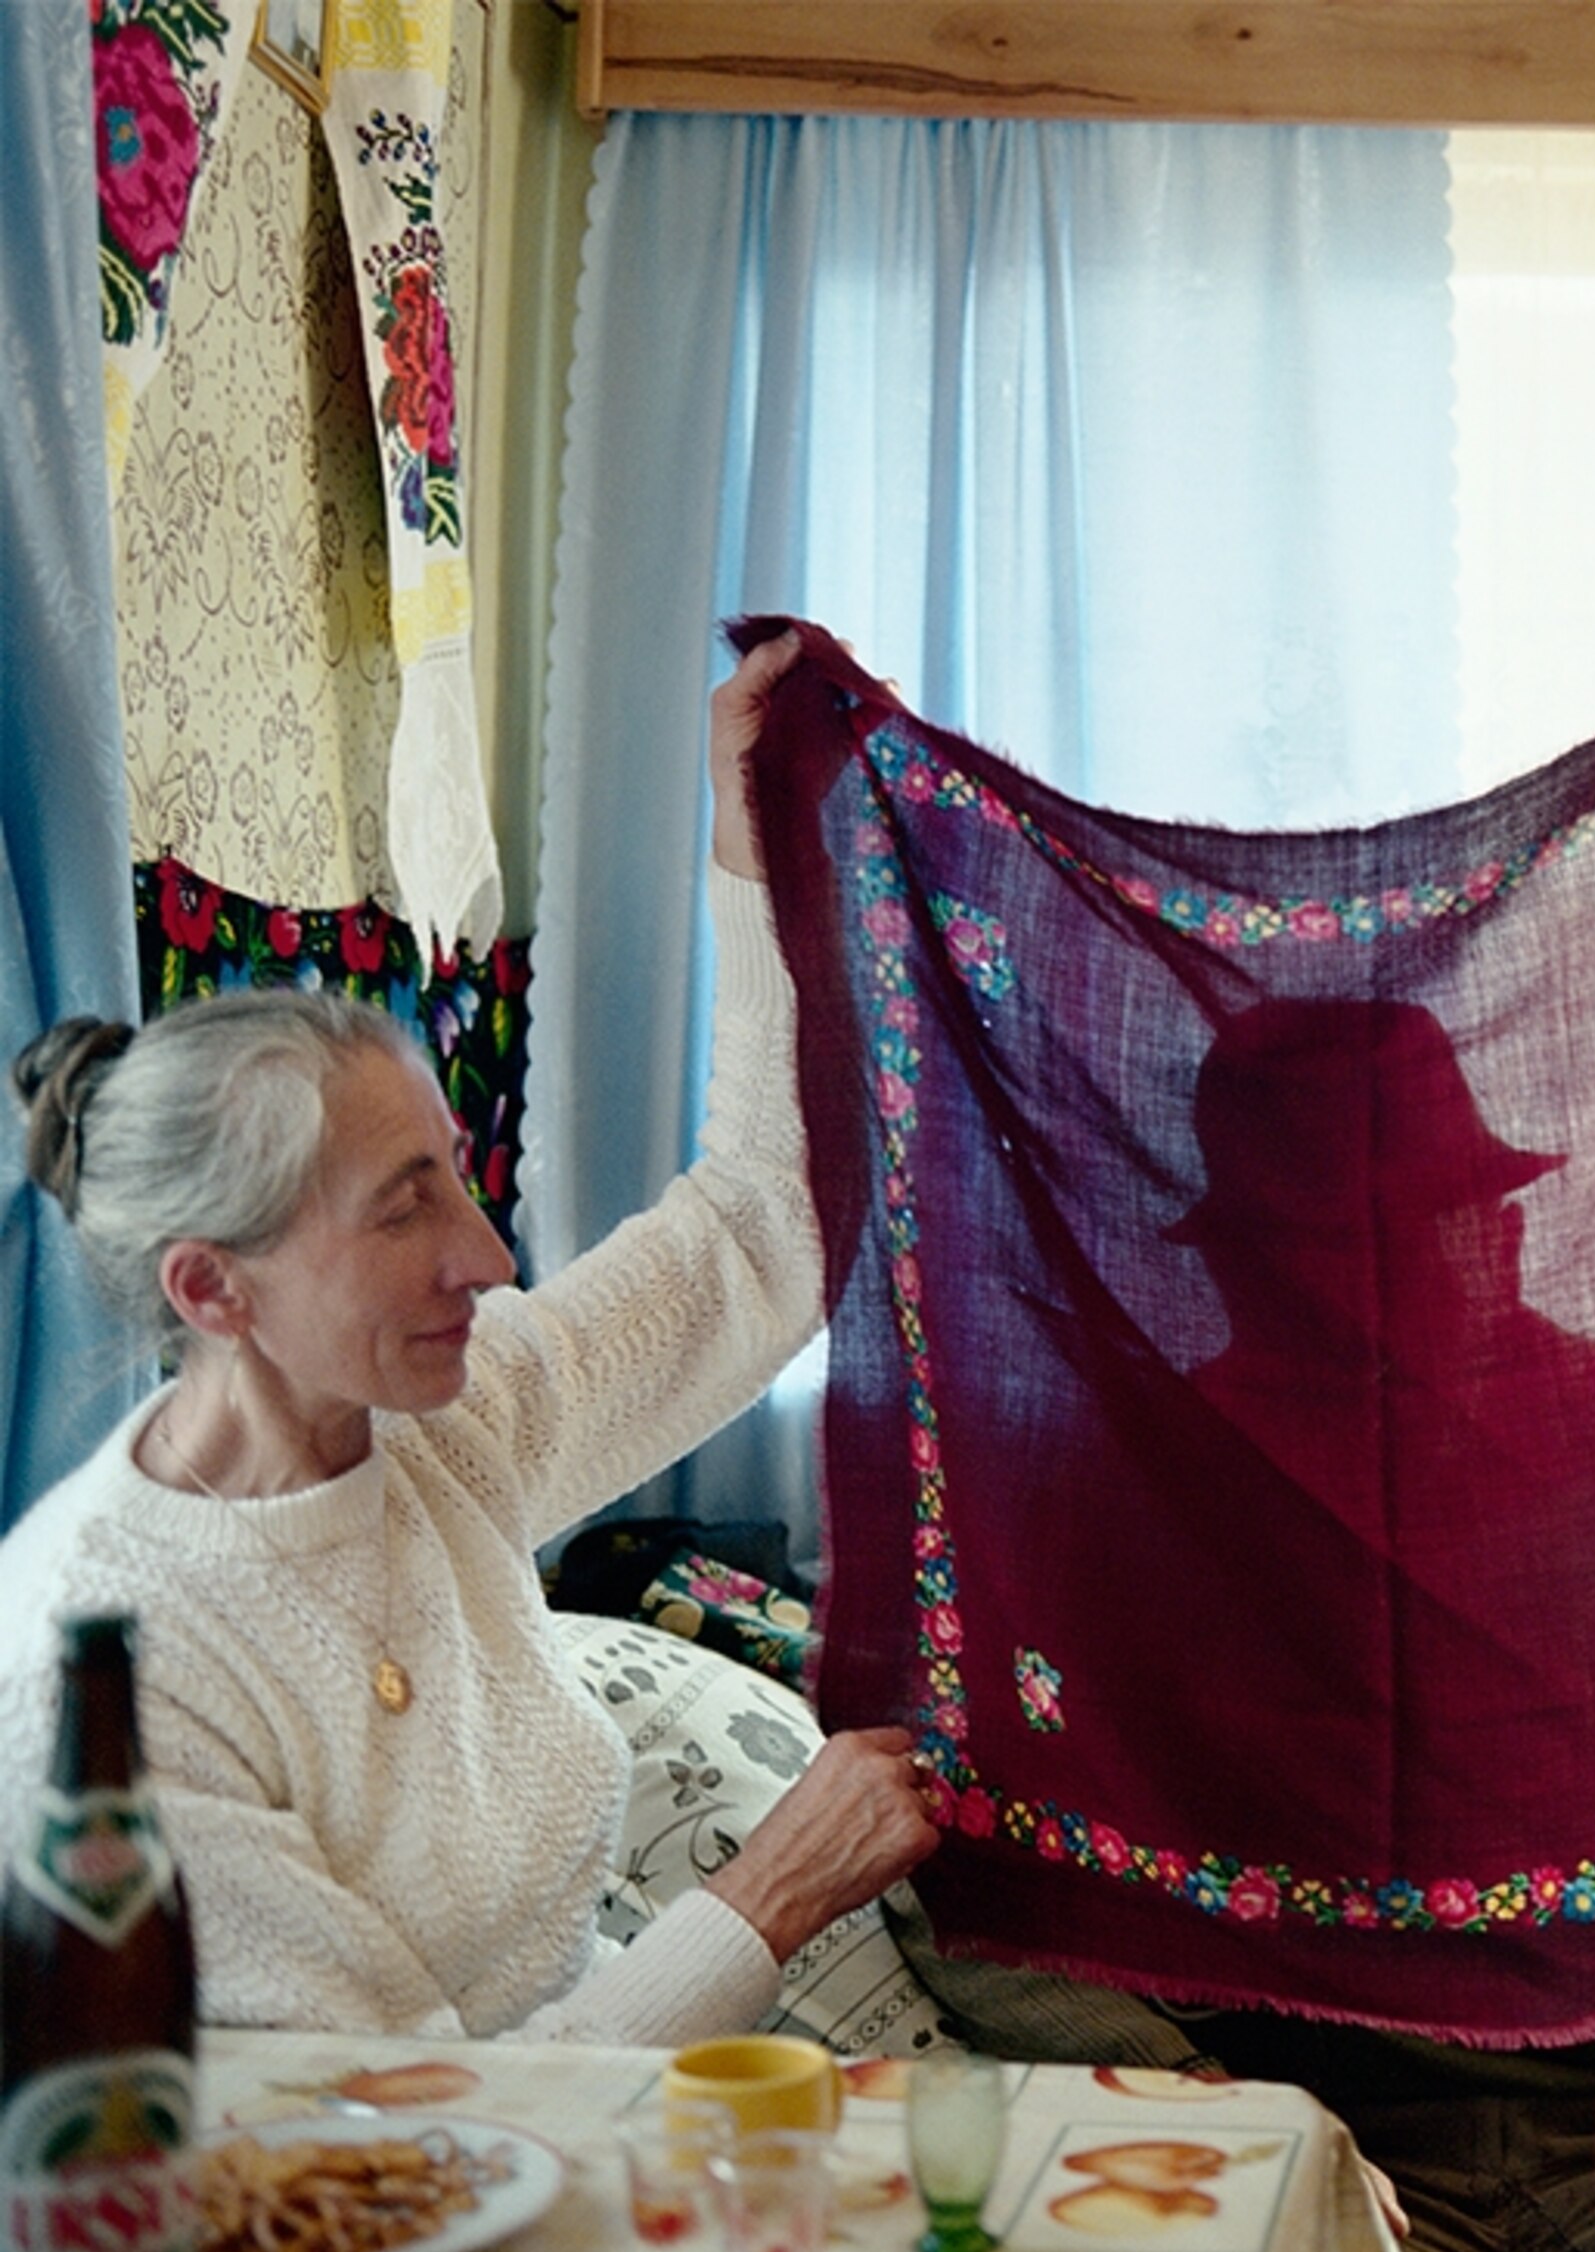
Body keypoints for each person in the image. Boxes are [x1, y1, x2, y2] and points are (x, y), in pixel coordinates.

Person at [893, 994, 1595, 2252]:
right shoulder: (1114, 1496)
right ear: (1257, 1267)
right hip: (1321, 2133)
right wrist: (1207, 2110)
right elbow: (979, 1870)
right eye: (1390, 1231)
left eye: (1475, 1198)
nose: (1479, 1239)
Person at [0, 631, 942, 2043]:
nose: (486, 1258)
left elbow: (764, 1233)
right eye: (403, 1211)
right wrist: (774, 1892)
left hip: (596, 2127)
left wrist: (760, 853)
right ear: (212, 1290)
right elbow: (401, 2139)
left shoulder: (439, 1419)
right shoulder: (106, 1688)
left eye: (454, 1173)